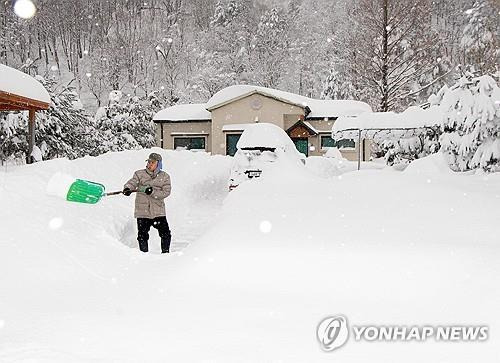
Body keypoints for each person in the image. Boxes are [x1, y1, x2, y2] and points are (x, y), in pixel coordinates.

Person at [123, 153, 172, 253]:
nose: (149, 164)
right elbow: (132, 182)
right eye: (148, 162)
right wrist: (127, 188)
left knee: (165, 233)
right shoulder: (139, 174)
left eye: (152, 162)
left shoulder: (165, 176)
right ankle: (143, 255)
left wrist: (152, 192)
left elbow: (166, 192)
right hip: (142, 211)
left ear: (158, 164)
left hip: (158, 211)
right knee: (142, 235)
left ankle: (165, 253)